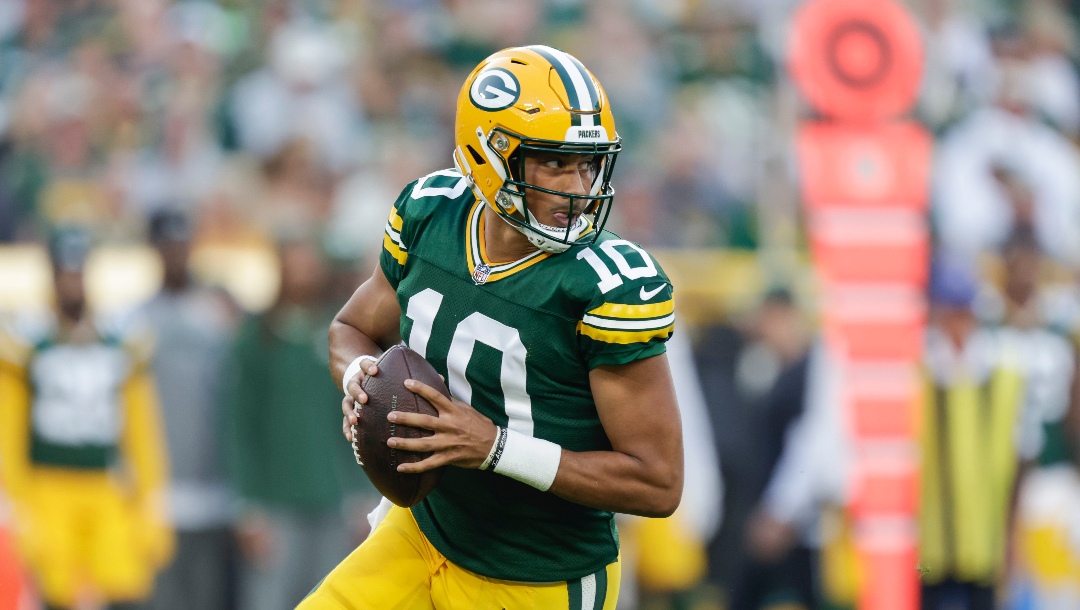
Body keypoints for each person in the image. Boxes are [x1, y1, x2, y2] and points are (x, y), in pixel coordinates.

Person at [301, 45, 684, 609]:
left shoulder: (606, 286)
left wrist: (495, 447)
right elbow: (350, 328)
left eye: (589, 164)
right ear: (491, 156)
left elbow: (658, 482)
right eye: (554, 162)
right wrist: (362, 375)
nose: (579, 189)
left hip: (535, 574)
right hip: (424, 531)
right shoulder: (431, 214)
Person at [0, 226, 173, 610]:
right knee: (53, 592)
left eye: (77, 273)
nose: (71, 283)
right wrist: (17, 501)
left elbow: (142, 429)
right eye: (64, 274)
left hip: (104, 483)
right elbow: (7, 431)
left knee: (122, 588)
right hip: (48, 483)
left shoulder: (119, 340)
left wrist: (150, 498)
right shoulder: (27, 341)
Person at [224, 235, 378, 610]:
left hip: (332, 498)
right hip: (275, 503)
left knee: (330, 600)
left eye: (309, 264)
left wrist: (362, 495)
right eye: (295, 264)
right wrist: (248, 506)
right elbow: (239, 424)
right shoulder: (257, 337)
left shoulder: (338, 334)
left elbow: (357, 415)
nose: (303, 274)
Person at [140, 210, 239, 610]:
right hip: (160, 495)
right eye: (168, 245)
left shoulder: (220, 313)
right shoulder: (136, 321)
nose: (176, 254)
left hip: (214, 492)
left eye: (182, 244)